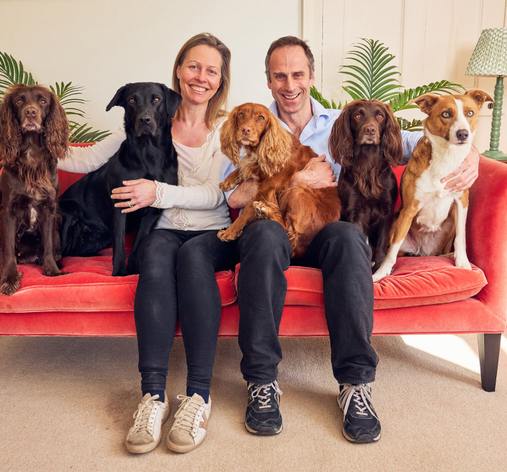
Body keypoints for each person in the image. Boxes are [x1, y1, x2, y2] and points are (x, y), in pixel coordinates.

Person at [183, 36, 480, 444]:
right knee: (264, 235)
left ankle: (356, 384)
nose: (290, 85)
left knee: (347, 236)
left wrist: (474, 156)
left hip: (323, 228)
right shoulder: (250, 123)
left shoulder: (342, 120)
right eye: (279, 76)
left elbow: (422, 141)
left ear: (311, 76)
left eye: (298, 74)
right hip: (275, 227)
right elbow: (234, 195)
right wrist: (297, 179)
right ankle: (262, 382)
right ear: (268, 81)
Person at [6, 33, 234, 454]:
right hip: (164, 228)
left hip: (207, 229)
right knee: (155, 263)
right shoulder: (135, 129)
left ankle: (198, 396)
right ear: (179, 73)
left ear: (221, 80)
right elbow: (87, 160)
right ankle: (153, 397)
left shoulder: (226, 128)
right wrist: (24, 147)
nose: (201, 76)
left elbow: (222, 193)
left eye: (211, 70)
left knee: (195, 261)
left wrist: (157, 193)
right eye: (193, 66)